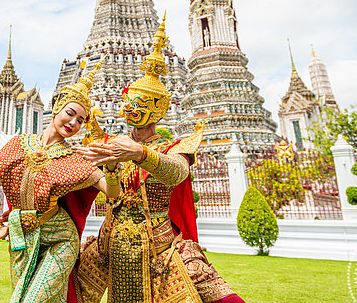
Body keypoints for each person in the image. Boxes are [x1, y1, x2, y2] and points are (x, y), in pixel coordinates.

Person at [75, 15, 243, 303]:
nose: (129, 109)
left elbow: (176, 173)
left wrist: (140, 154)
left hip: (159, 248)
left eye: (137, 104)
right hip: (110, 243)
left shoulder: (173, 146)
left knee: (219, 297)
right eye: (127, 103)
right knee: (65, 283)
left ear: (157, 109)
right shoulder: (113, 145)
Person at [0, 57, 120, 303]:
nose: (74, 123)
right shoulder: (18, 145)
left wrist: (111, 169)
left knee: (32, 300)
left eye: (81, 121)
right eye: (71, 114)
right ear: (56, 107)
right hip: (21, 234)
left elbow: (110, 192)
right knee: (23, 296)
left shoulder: (73, 158)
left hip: (60, 237)